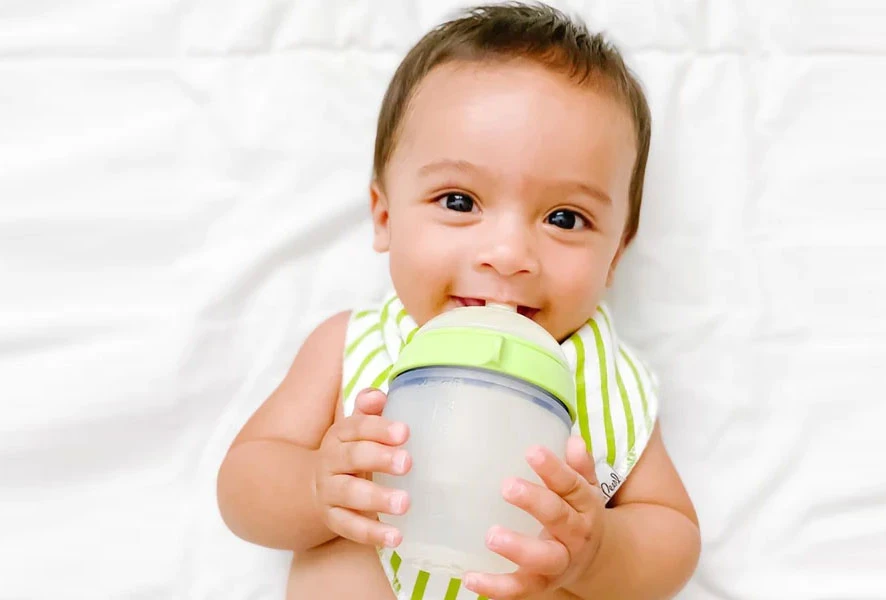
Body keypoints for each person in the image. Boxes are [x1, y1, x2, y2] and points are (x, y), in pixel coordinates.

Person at [217, 3, 701, 598]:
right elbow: (242, 486)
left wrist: (596, 552)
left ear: (616, 255)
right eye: (458, 201)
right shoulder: (352, 345)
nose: (507, 253)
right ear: (385, 215)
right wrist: (315, 488)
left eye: (565, 217)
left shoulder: (603, 378)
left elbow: (673, 534)